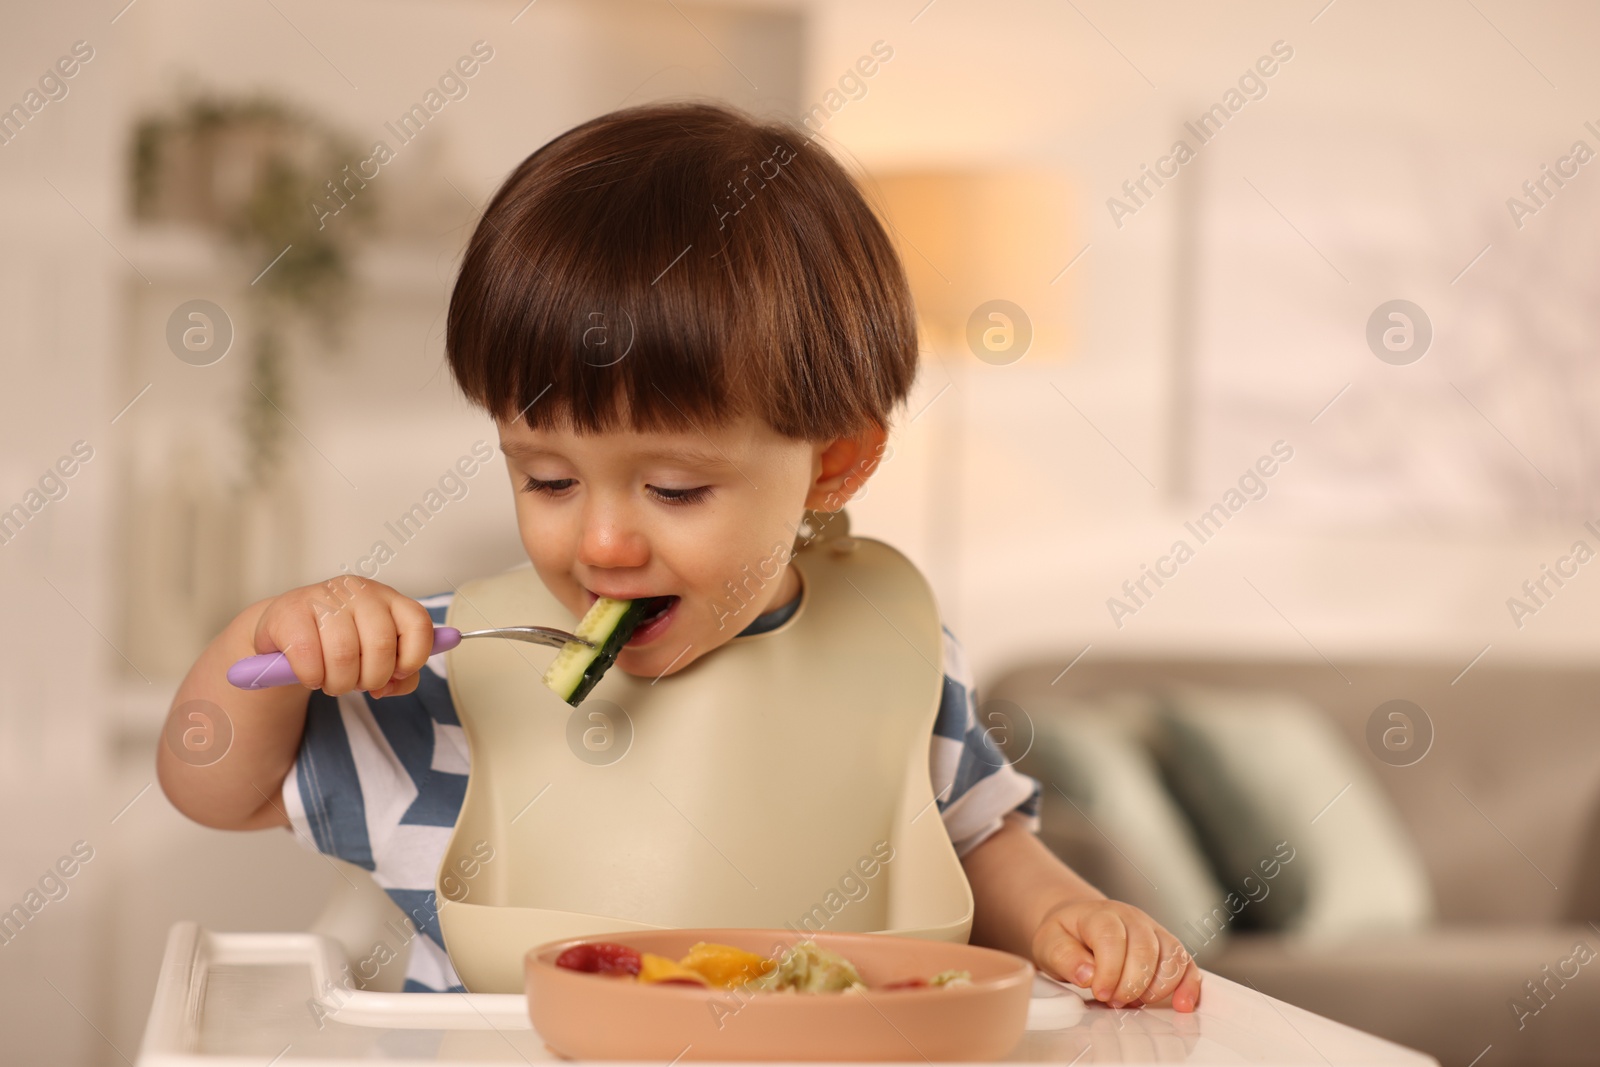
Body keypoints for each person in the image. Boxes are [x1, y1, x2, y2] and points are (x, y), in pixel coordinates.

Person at [158, 101, 1201, 1011]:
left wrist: (1075, 914)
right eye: (548, 478)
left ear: (832, 463)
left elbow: (976, 841)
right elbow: (217, 787)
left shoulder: (897, 655)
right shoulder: (446, 679)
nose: (603, 539)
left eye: (674, 489)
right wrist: (271, 640)